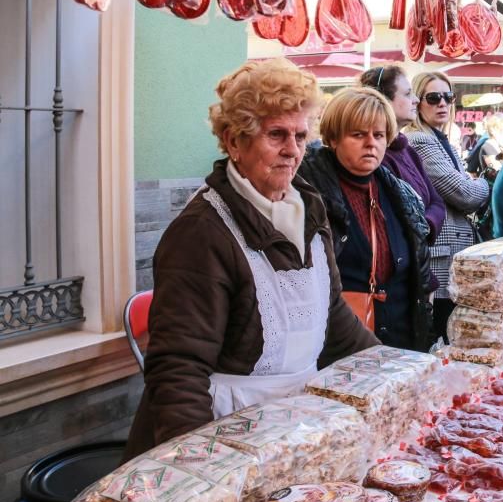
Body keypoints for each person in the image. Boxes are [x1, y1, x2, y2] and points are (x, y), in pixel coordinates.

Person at [124, 59, 377, 459]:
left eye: (299, 135)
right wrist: (200, 467)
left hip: (295, 426)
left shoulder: (309, 210)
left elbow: (332, 319)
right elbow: (178, 367)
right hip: (222, 430)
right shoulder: (201, 233)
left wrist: (392, 369)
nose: (292, 151)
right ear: (234, 141)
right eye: (276, 134)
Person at [297, 87, 436, 352]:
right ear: (334, 139)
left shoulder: (400, 193)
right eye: (358, 134)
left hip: (399, 344)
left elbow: (417, 277)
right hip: (335, 346)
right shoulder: (307, 193)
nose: (371, 143)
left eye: (379, 135)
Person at [406, 72, 490, 341]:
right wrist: (485, 182)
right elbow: (465, 193)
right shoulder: (420, 140)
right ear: (418, 102)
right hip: (441, 256)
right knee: (445, 333)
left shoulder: (439, 139)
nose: (442, 103)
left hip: (451, 251)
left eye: (448, 97)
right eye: (433, 97)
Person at [358, 65, 446, 243]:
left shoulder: (408, 151)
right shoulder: (374, 156)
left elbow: (437, 203)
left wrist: (424, 224)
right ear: (383, 99)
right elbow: (398, 219)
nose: (415, 100)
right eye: (407, 94)